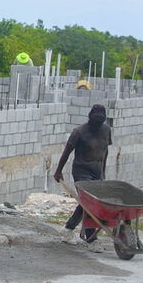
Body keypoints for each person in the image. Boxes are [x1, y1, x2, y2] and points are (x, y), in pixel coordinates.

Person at [53, 104, 112, 245]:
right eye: (96, 120)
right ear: (90, 117)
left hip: (97, 172)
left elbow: (105, 152)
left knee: (90, 202)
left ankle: (69, 229)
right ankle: (91, 238)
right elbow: (66, 152)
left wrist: (102, 173)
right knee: (89, 202)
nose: (98, 124)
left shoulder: (106, 130)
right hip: (82, 171)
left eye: (101, 120)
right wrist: (58, 171)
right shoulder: (79, 132)